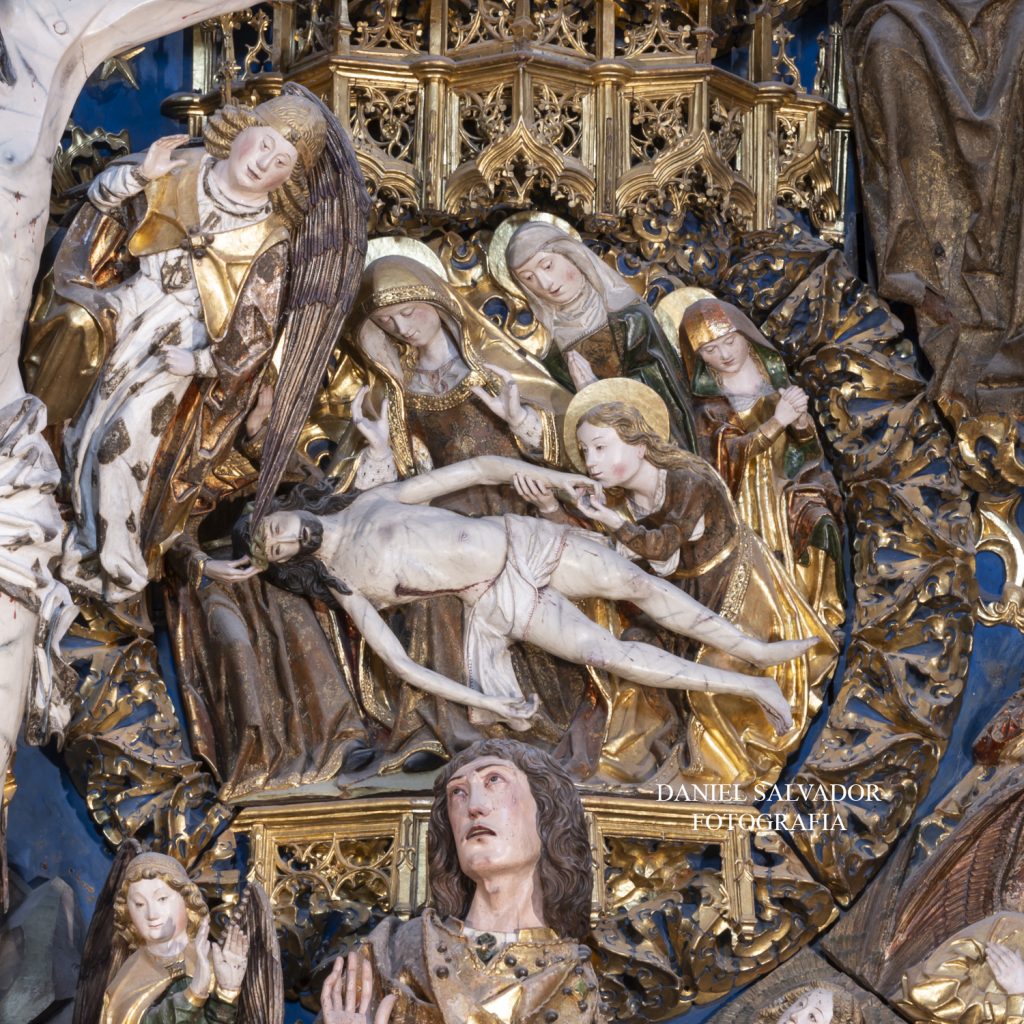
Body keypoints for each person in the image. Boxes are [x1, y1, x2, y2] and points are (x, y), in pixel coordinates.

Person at [229, 457, 814, 733]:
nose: (286, 539)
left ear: (287, 509)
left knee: (637, 583)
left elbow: (477, 469)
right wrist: (486, 698)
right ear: (287, 563)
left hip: (523, 541)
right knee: (604, 653)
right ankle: (752, 685)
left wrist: (560, 482)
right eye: (276, 550)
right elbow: (401, 664)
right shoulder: (345, 583)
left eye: (276, 528)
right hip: (496, 598)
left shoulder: (370, 499)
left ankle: (753, 650)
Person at [40, 93, 330, 604]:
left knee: (118, 447)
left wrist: (199, 361)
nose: (264, 163)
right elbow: (101, 209)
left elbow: (257, 331)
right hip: (126, 312)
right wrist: (139, 175)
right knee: (79, 435)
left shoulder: (271, 238)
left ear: (289, 179)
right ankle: (77, 537)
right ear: (239, 129)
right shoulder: (179, 169)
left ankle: (119, 566)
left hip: (181, 346)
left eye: (282, 162)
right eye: (264, 144)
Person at [334, 256, 589, 770]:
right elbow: (372, 488)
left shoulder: (493, 363)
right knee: (431, 600)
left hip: (514, 497)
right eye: (387, 322)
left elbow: (572, 435)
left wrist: (521, 420)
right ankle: (448, 729)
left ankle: (538, 719)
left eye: (409, 311)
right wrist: (381, 450)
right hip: (440, 515)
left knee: (529, 596)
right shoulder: (395, 388)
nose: (403, 327)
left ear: (435, 300)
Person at [555, 379, 836, 785]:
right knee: (633, 651)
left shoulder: (687, 480)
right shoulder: (623, 502)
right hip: (683, 597)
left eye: (600, 447)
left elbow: (662, 544)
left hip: (736, 587)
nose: (590, 462)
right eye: (584, 452)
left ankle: (722, 775)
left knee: (714, 683)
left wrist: (613, 523)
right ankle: (623, 764)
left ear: (639, 444)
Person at [317, 738, 600, 1024]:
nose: (474, 807)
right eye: (458, 793)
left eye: (494, 780)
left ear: (547, 811)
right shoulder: (392, 951)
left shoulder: (573, 979)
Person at [682, 298, 845, 635]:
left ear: (745, 334)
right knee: (760, 563)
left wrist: (800, 423)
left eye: (730, 341)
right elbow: (727, 456)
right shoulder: (707, 407)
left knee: (821, 526)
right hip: (745, 498)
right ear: (699, 358)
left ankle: (823, 616)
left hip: (790, 483)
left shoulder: (773, 373)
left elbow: (807, 447)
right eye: (711, 350)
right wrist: (778, 420)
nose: (725, 354)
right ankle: (778, 627)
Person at [504, 221, 697, 450]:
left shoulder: (630, 318)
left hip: (661, 444)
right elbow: (566, 430)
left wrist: (597, 392)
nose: (545, 283)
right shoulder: (554, 357)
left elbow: (664, 387)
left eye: (547, 266)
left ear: (571, 254)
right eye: (528, 278)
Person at [93, 852, 258, 1023]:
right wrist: (193, 995)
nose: (152, 914)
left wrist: (227, 994)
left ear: (187, 900)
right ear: (127, 911)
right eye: (139, 904)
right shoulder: (127, 982)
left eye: (162, 899)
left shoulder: (215, 963)